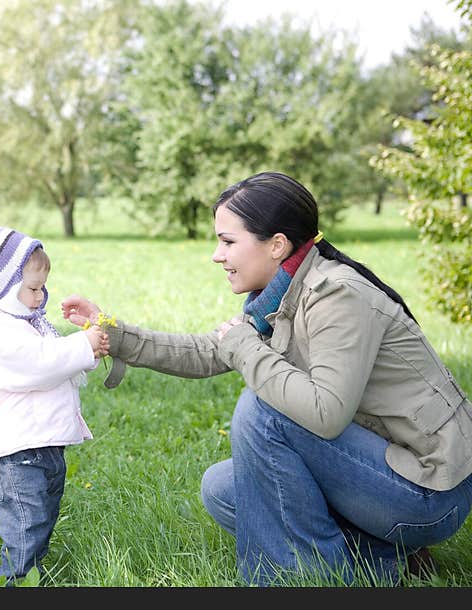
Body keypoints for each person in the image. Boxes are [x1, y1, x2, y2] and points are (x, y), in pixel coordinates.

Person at [61, 171, 472, 586]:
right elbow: (209, 350)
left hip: (427, 493)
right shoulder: (284, 292)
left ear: (277, 244)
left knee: (262, 410)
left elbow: (325, 412)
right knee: (224, 488)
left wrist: (245, 346)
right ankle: (383, 561)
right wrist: (114, 335)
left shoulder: (336, 295)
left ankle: (298, 577)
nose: (216, 255)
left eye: (227, 241)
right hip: (385, 473)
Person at [0, 225, 109, 584]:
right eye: (31, 288)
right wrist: (81, 345)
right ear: (1, 287)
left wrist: (90, 348)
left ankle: (32, 572)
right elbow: (40, 364)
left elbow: (56, 361)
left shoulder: (26, 322)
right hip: (15, 453)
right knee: (25, 531)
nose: (39, 296)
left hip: (42, 444)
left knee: (41, 520)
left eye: (43, 287)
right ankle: (14, 580)